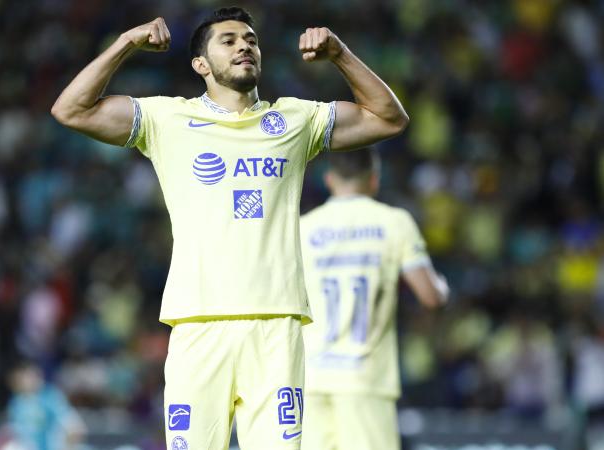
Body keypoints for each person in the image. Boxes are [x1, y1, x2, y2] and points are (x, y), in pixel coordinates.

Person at [50, 7, 408, 449]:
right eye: (229, 40)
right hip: (198, 325)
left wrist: (339, 54)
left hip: (276, 327)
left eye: (251, 40)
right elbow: (70, 109)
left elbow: (389, 118)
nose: (244, 45)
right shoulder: (167, 120)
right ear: (201, 64)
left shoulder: (295, 120)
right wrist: (126, 43)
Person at [298, 148, 449, 450]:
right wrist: (442, 286)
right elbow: (430, 296)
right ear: (374, 179)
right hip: (364, 380)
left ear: (329, 179)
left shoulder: (303, 227)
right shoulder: (394, 222)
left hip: (310, 380)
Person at [0, 360, 87, 450]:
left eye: (30, 376)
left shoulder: (50, 397)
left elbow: (75, 427)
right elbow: (15, 431)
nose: (27, 381)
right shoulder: (16, 403)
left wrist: (67, 444)